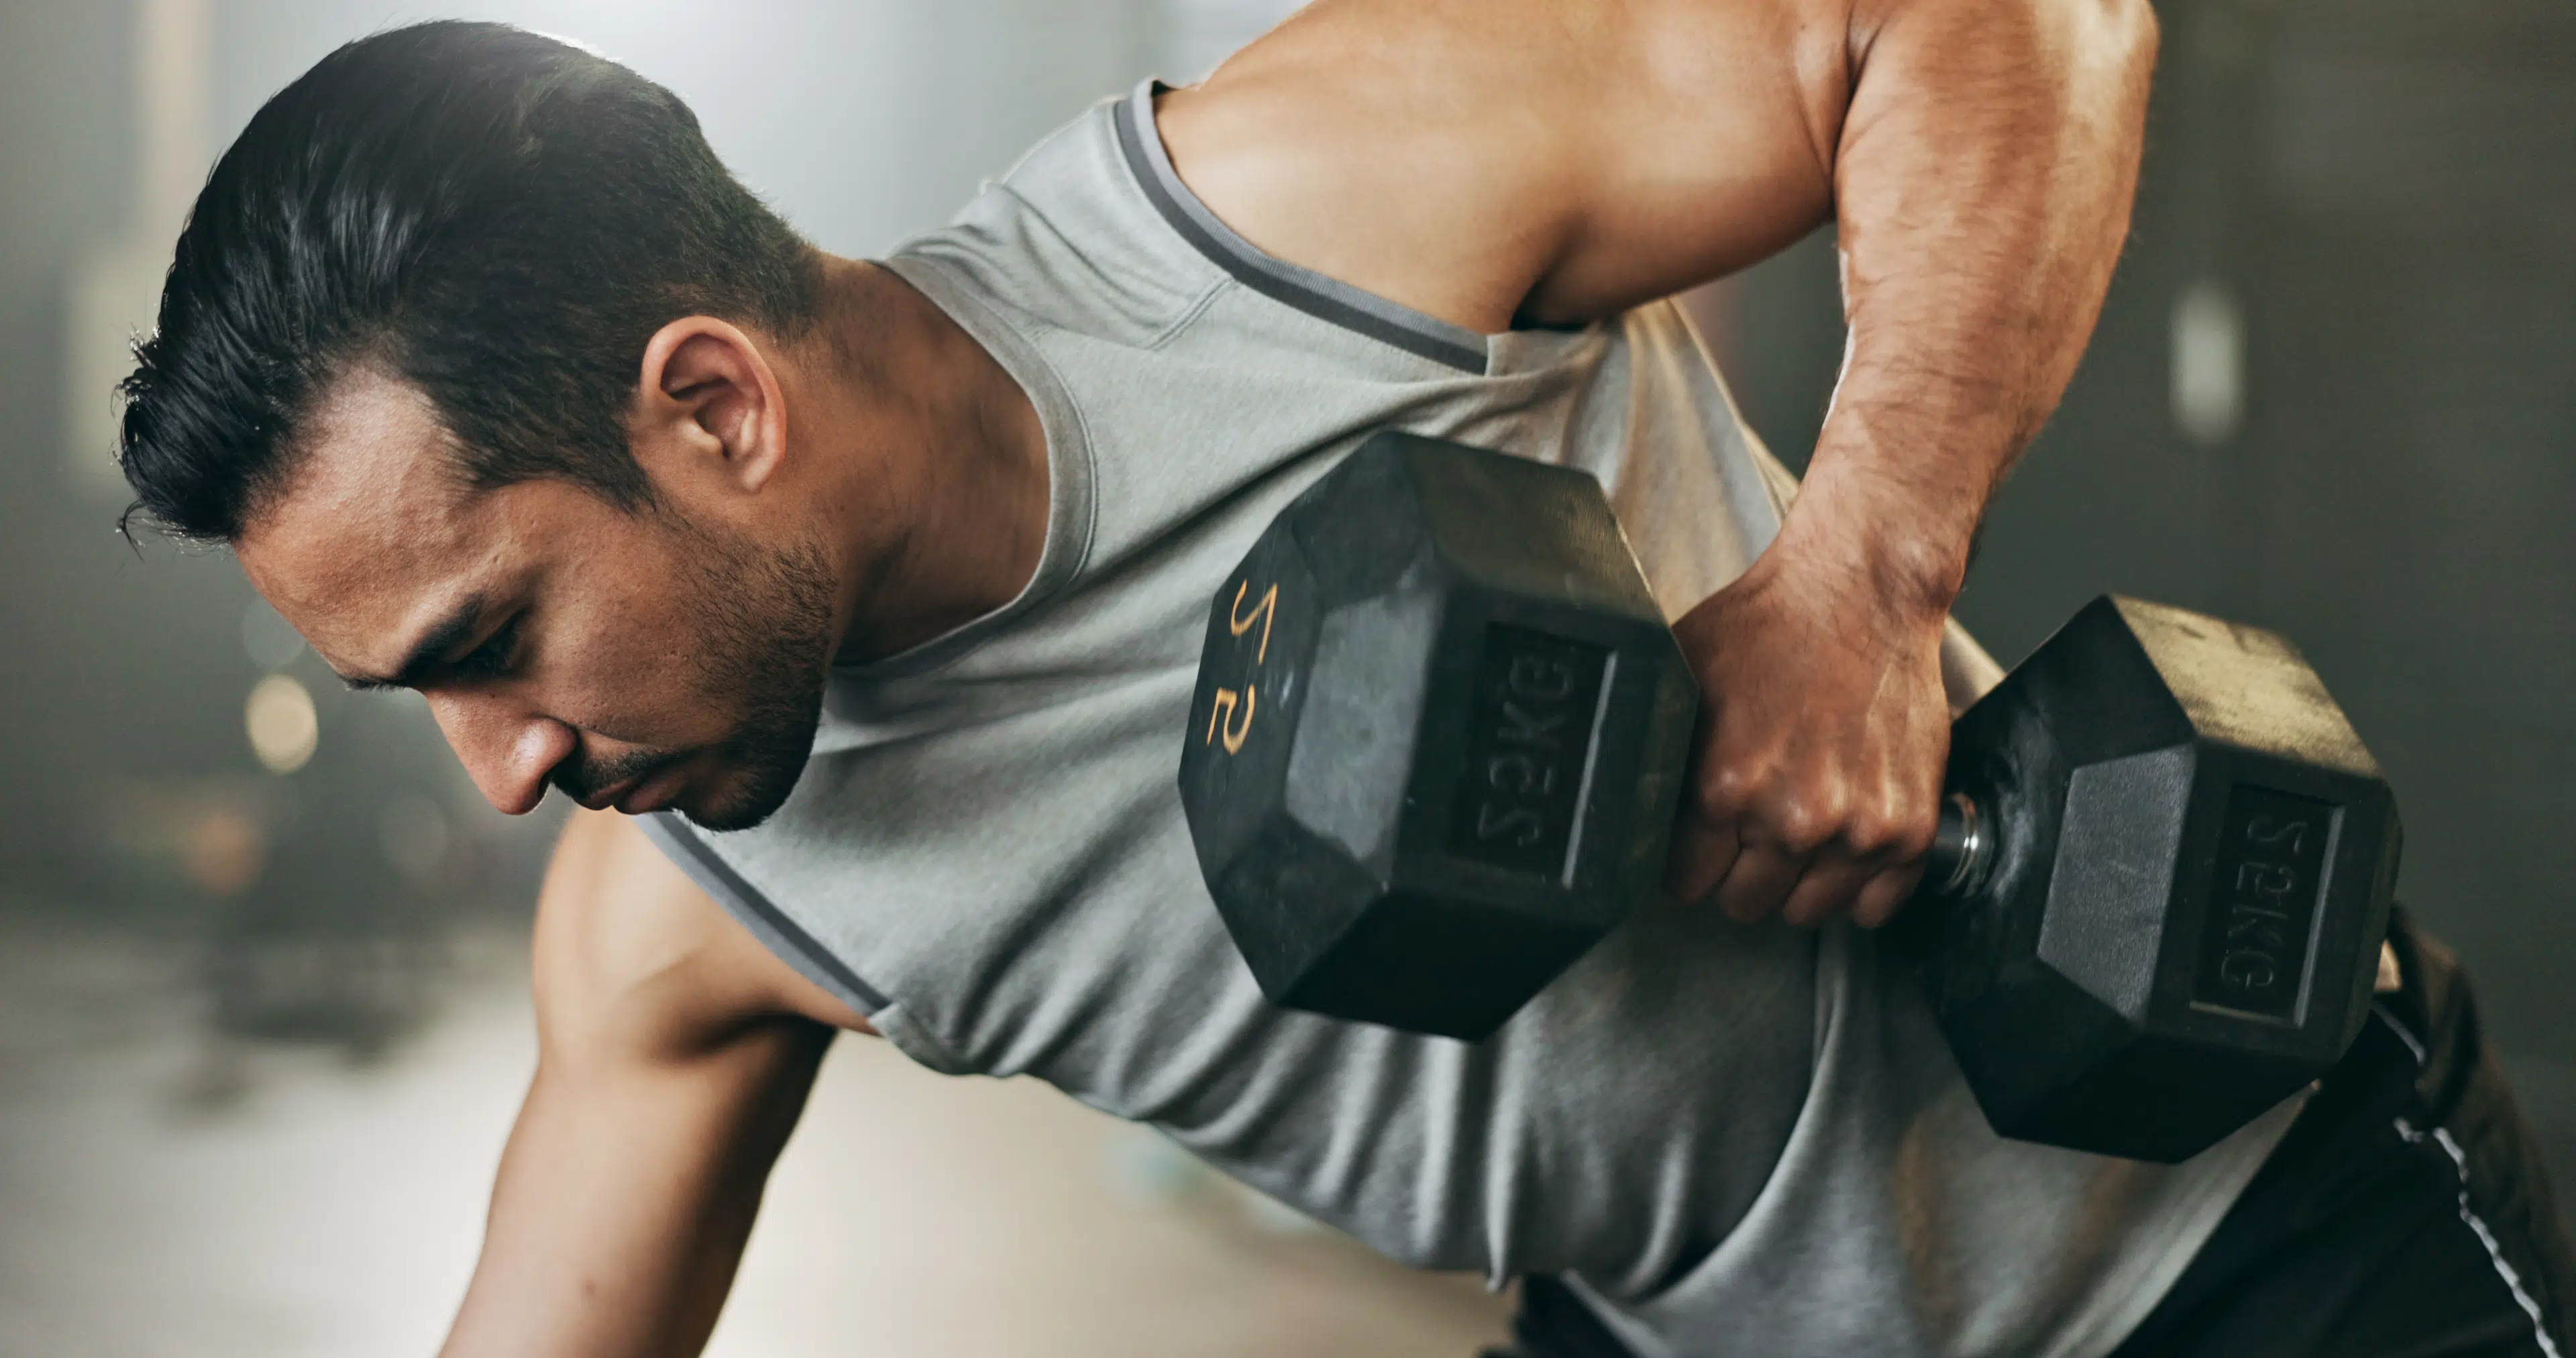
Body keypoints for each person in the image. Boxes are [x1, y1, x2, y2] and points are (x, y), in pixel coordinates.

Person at [111, 7, 2569, 1356]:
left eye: (492, 644)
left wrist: (1859, 573)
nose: (504, 774)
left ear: (712, 406)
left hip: (2240, 1225)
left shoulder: (1291, 222)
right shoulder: (691, 913)